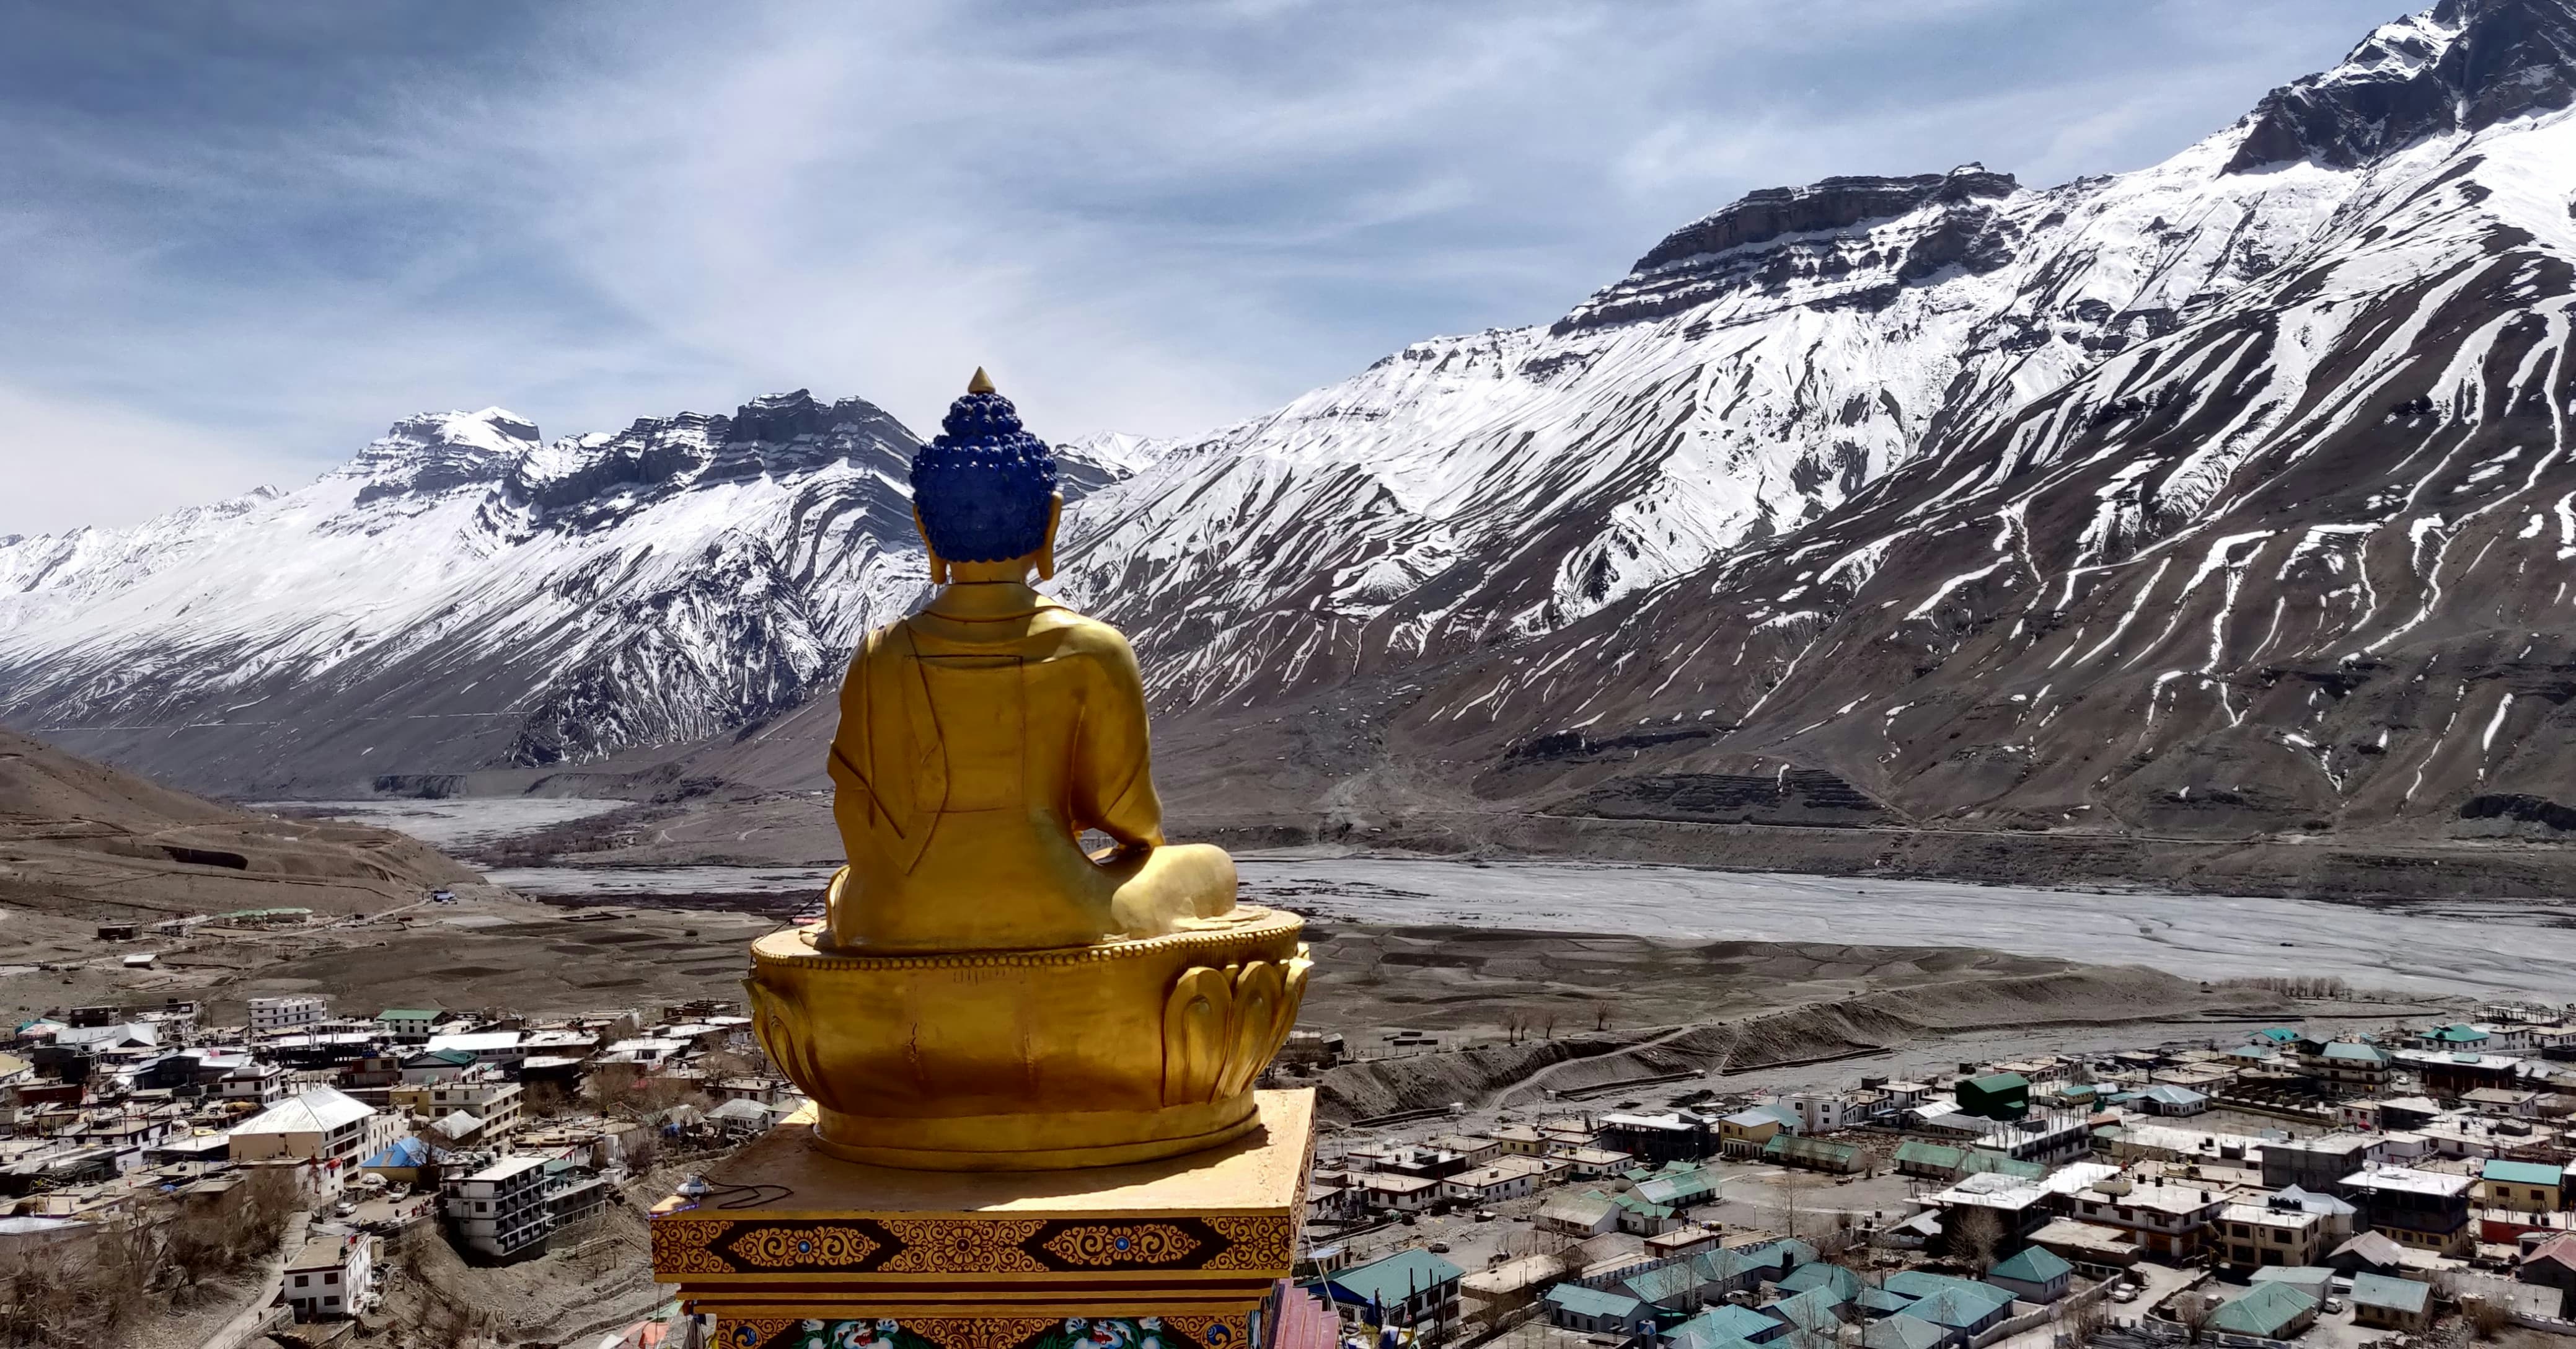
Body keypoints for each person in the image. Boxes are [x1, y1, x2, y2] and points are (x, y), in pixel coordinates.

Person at [823, 370, 1237, 952]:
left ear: (925, 530)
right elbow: (1130, 817)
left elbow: (857, 820)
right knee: (1208, 866)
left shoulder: (878, 655)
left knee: (845, 885)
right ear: (1051, 522)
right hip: (1054, 906)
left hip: (887, 916)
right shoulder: (1091, 649)